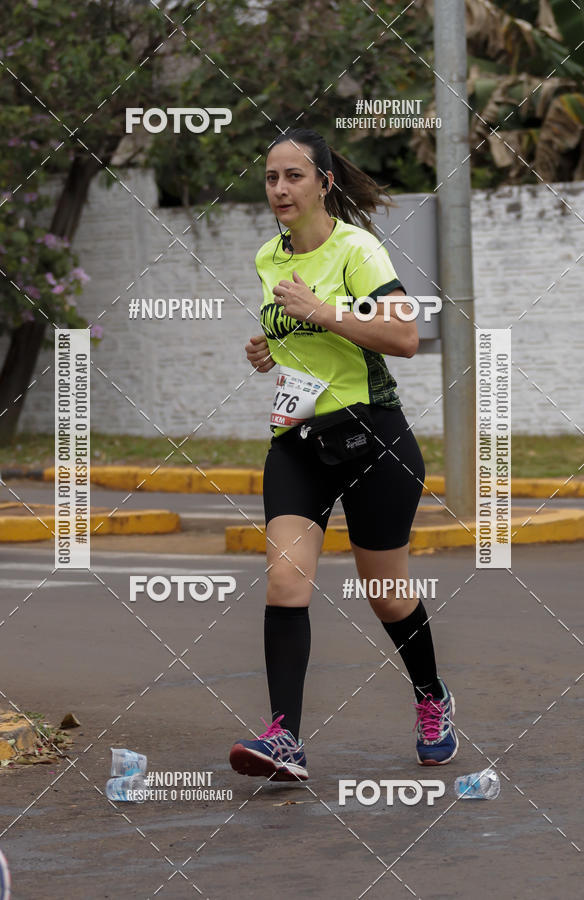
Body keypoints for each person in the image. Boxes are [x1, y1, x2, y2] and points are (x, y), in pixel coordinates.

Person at [229, 128, 457, 782]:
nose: (279, 189)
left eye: (294, 176)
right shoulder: (267, 258)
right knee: (284, 580)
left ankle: (432, 697)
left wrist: (321, 311)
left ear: (325, 182)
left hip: (373, 440)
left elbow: (405, 336)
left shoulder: (356, 248)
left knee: (386, 593)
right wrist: (269, 350)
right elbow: (298, 337)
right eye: (271, 177)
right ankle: (285, 740)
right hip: (297, 443)